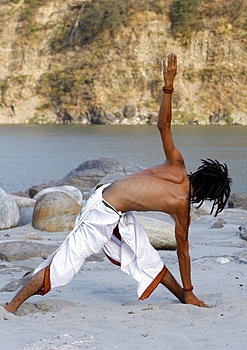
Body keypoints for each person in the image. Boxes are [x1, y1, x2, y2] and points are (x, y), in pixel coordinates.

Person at [4, 53, 231, 314]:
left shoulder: (177, 165)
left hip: (114, 203)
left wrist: (169, 85)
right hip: (103, 210)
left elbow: (163, 125)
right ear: (208, 195)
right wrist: (192, 288)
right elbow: (183, 252)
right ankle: (11, 307)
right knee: (67, 261)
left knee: (146, 254)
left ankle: (182, 297)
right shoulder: (182, 206)